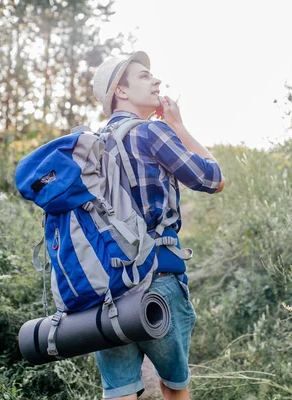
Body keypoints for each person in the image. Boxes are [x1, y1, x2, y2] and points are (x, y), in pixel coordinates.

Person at [91, 51, 225, 400]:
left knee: (120, 392)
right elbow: (214, 179)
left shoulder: (90, 146)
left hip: (105, 287)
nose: (157, 82)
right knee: (174, 387)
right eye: (145, 77)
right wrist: (178, 126)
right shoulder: (152, 132)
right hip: (158, 278)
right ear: (120, 92)